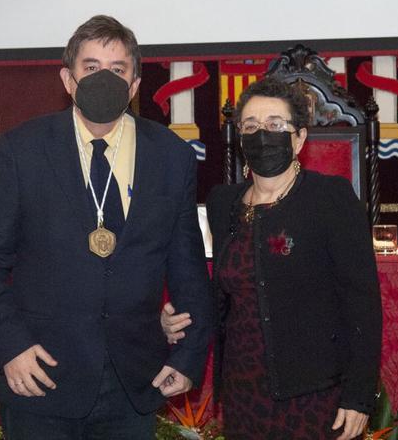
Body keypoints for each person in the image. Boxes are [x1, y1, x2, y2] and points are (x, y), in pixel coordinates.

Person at [0, 15, 213, 439]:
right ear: (68, 78)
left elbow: (188, 269)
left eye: (118, 71)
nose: (105, 79)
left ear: (135, 85)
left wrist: (188, 357)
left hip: (135, 380)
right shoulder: (23, 150)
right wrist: (11, 348)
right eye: (92, 68)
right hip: (41, 375)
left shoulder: (171, 156)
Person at [163, 77, 382, 439]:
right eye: (251, 126)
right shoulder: (223, 203)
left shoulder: (330, 199)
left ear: (299, 138)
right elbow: (222, 297)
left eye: (275, 125)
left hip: (314, 396)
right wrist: (178, 321)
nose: (262, 134)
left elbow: (362, 305)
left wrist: (359, 397)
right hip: (242, 394)